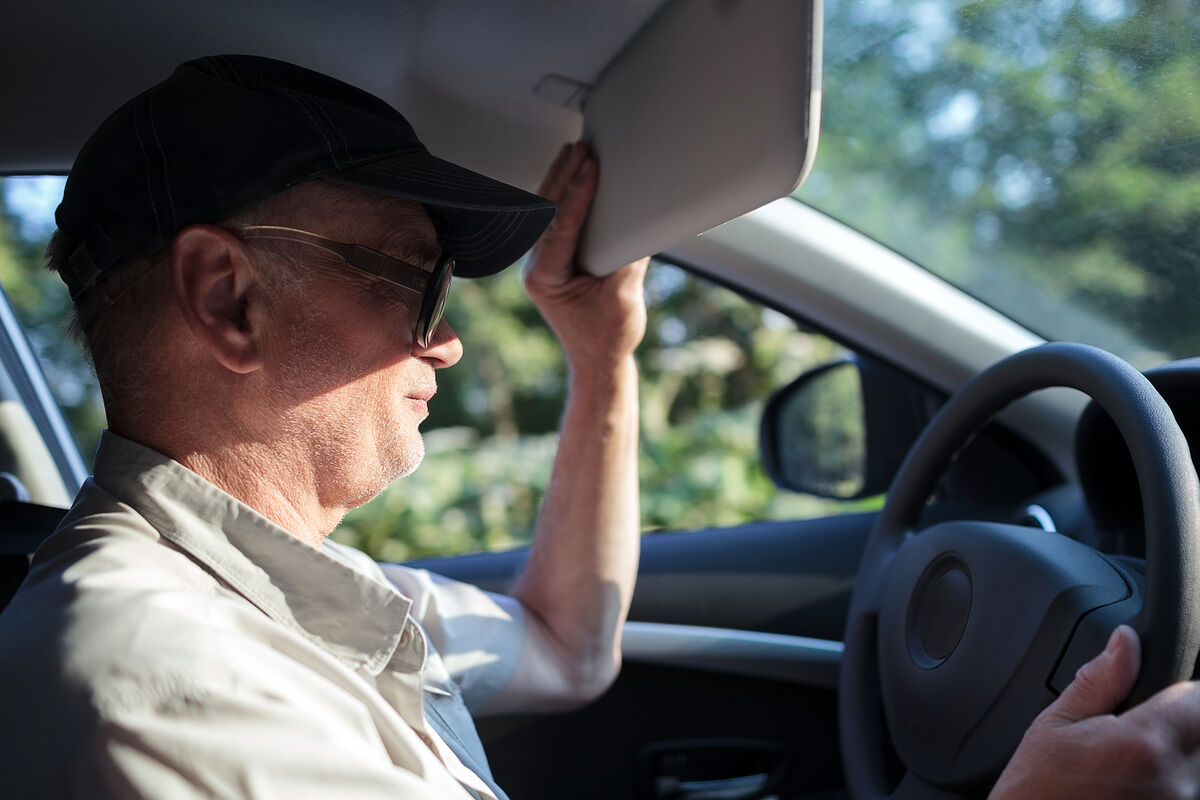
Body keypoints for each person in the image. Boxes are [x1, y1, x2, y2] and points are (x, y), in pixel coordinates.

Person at [0, 53, 1198, 800]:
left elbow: (567, 643)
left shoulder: (273, 598)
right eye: (411, 279)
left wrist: (601, 353)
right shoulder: (157, 674)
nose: (448, 340)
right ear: (228, 297)